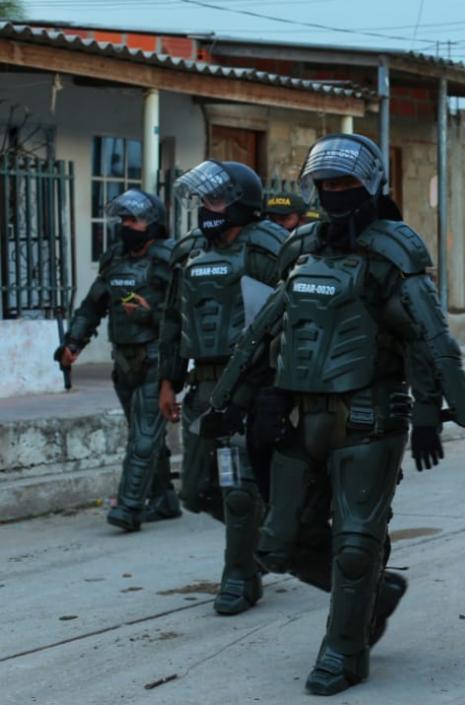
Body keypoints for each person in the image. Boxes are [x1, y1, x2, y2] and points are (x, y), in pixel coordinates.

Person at [203, 133, 465, 695]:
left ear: (371, 185)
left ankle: (344, 653)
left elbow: (426, 336)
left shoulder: (393, 251)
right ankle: (375, 595)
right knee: (276, 543)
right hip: (297, 416)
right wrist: (236, 401)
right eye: (325, 184)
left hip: (368, 416)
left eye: (344, 184)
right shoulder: (301, 246)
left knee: (355, 546)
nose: (333, 193)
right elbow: (265, 330)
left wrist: (437, 409)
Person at [158, 160, 289, 615]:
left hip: (251, 384)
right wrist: (168, 381)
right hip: (203, 385)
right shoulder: (190, 251)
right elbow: (173, 319)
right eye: (204, 200)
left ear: (241, 203)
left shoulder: (270, 248)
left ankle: (240, 577)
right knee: (194, 492)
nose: (206, 208)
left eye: (215, 199)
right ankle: (267, 533)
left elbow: (298, 311)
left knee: (237, 486)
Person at [54, 189, 181, 531]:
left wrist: (149, 313)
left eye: (134, 220)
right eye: (122, 219)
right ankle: (165, 499)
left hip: (156, 358)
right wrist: (73, 343)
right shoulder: (115, 259)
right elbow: (94, 303)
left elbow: (185, 315)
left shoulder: (167, 259)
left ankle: (128, 508)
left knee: (142, 437)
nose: (126, 225)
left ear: (152, 224)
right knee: (144, 434)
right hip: (123, 360)